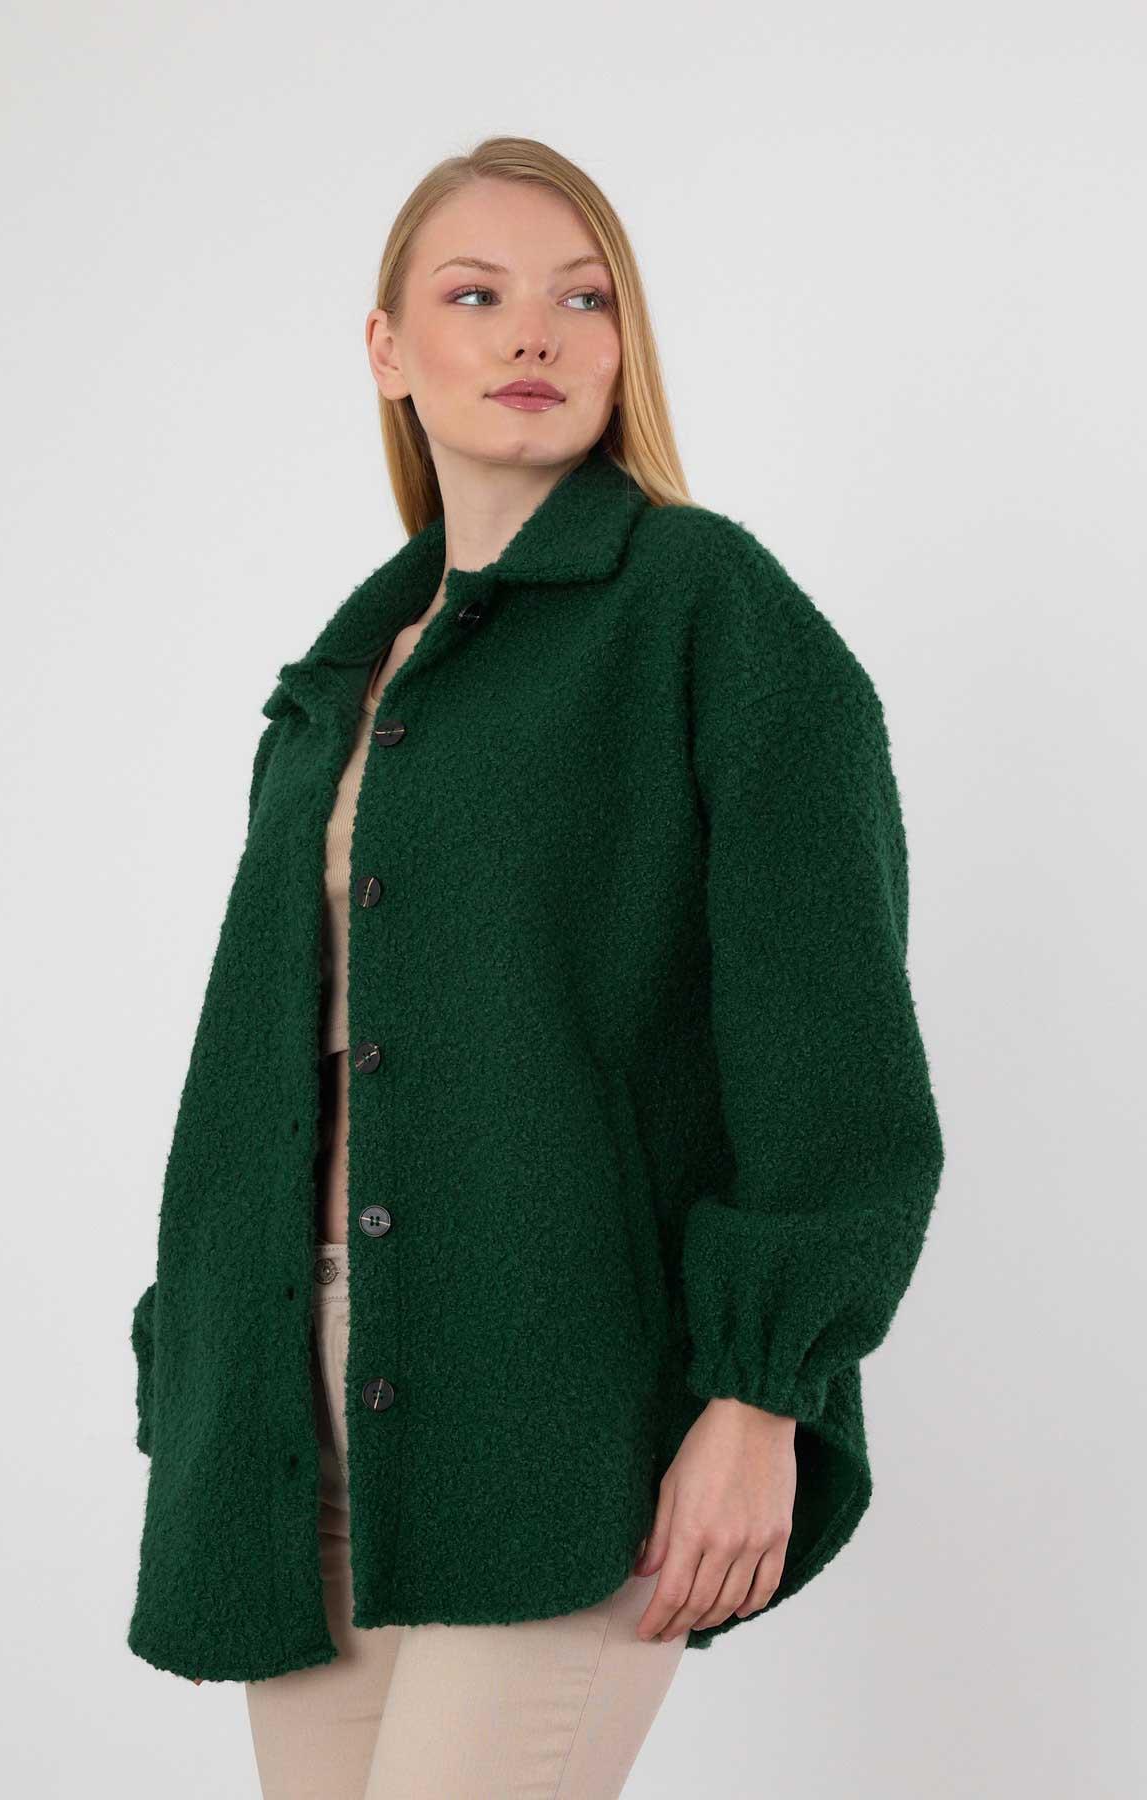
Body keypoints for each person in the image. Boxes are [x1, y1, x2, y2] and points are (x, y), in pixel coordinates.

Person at [127, 136, 945, 1800]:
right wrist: (195, 1368)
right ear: (386, 350)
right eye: (475, 295)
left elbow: (834, 1047)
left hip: (563, 1402)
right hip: (297, 1406)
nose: (532, 335)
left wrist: (761, 1395)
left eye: (582, 299)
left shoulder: (708, 612)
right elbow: (259, 1062)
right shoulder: (342, 684)